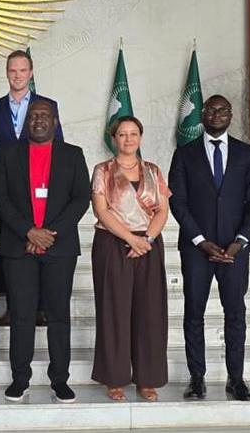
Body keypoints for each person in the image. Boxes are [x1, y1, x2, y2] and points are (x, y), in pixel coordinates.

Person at [0, 100, 89, 404]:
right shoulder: (6, 154)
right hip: (19, 249)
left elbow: (80, 198)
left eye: (44, 116)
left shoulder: (73, 155)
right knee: (21, 315)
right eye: (32, 116)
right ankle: (20, 380)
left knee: (58, 315)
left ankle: (60, 380)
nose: (38, 121)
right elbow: (0, 197)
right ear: (25, 123)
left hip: (59, 249)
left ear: (55, 122)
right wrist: (29, 231)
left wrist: (47, 235)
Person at [168, 94, 250, 402]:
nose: (217, 114)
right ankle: (197, 379)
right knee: (193, 313)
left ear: (231, 114)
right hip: (197, 249)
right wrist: (200, 240)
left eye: (223, 109)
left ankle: (236, 379)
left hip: (235, 251)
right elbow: (177, 202)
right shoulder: (184, 154)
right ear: (203, 115)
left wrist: (239, 242)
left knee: (235, 314)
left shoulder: (248, 154)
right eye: (211, 109)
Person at [90, 116, 170, 402]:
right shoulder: (103, 170)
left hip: (148, 244)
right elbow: (102, 211)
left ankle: (147, 379)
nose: (128, 139)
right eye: (122, 134)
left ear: (140, 137)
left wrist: (145, 239)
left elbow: (162, 211)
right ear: (114, 139)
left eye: (133, 133)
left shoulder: (153, 170)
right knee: (115, 311)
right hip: (113, 244)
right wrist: (130, 239)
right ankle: (115, 378)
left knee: (149, 312)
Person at [0, 50, 63, 327]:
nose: (17, 75)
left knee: (42, 245)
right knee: (11, 247)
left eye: (22, 70)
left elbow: (59, 148)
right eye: (12, 71)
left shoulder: (46, 105)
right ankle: (14, 307)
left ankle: (40, 307)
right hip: (10, 193)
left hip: (41, 187)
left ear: (30, 73)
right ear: (7, 74)